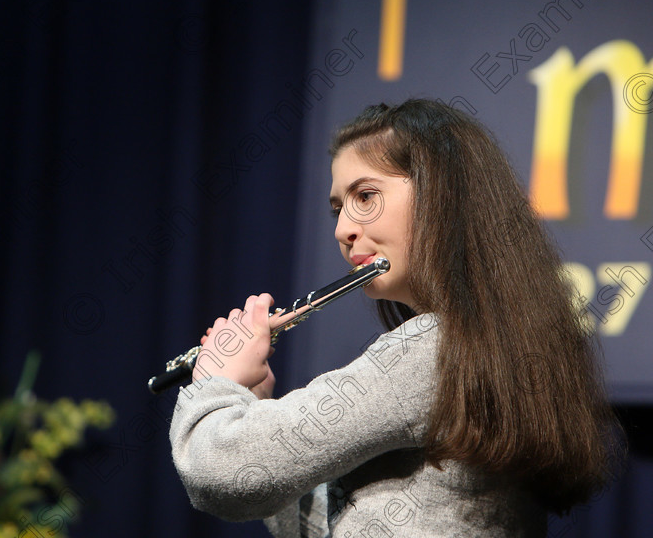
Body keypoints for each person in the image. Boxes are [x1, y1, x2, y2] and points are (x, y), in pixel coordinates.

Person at [168, 99, 622, 537]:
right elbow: (333, 522)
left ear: (442, 198)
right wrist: (253, 402)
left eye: (365, 196)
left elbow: (225, 475)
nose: (342, 229)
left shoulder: (432, 350)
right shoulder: (487, 344)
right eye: (337, 208)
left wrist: (214, 384)